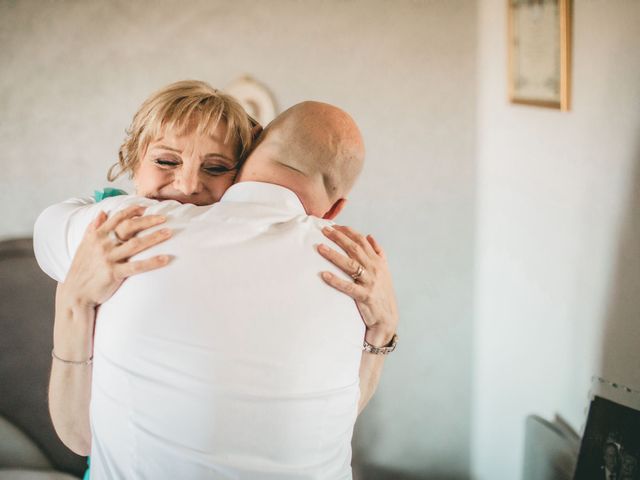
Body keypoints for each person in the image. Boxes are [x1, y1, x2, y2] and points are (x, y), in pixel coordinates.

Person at [35, 88, 398, 477]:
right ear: (132, 162)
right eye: (166, 160)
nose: (188, 185)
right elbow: (81, 436)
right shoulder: (119, 230)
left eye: (215, 168)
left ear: (243, 170)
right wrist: (384, 327)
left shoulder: (116, 224)